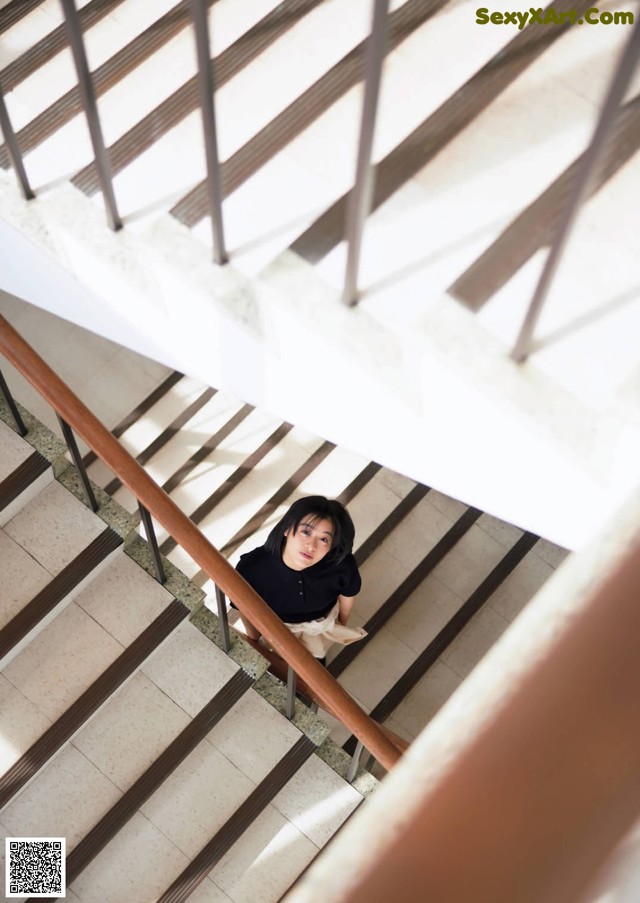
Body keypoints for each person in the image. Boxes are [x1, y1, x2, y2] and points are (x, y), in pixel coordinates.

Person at [232, 495, 367, 659]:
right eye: (306, 532)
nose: (311, 546)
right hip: (277, 627)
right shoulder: (252, 567)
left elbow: (347, 595)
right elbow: (243, 606)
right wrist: (255, 641)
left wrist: (340, 625)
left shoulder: (341, 565)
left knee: (316, 658)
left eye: (324, 539)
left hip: (320, 624)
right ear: (287, 529)